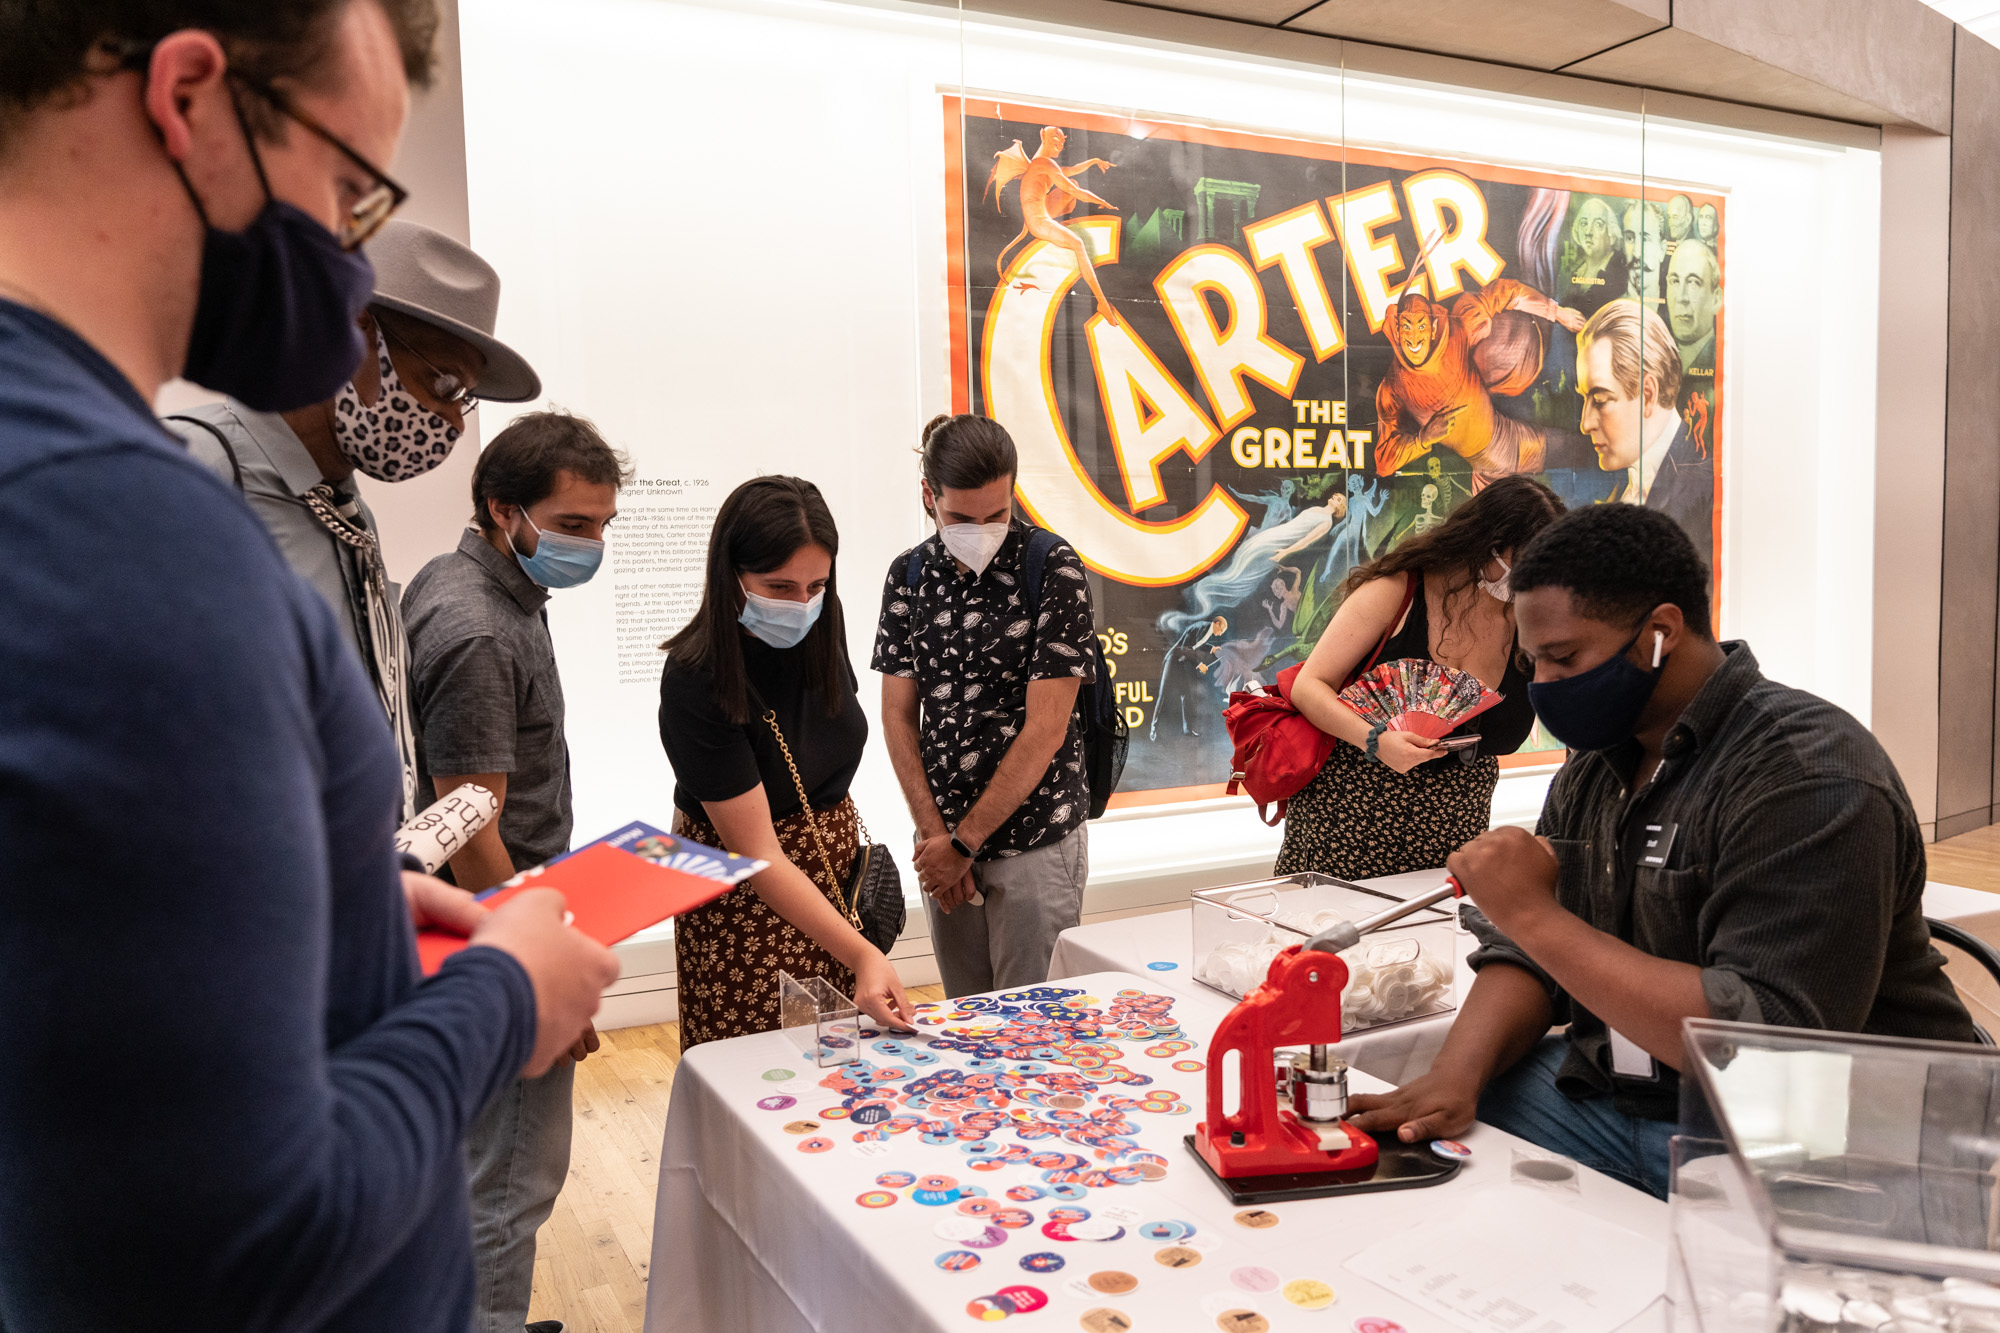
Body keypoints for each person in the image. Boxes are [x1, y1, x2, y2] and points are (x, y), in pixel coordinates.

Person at [0, 4, 616, 1329]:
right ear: (190, 100)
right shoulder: (133, 528)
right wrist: (511, 990)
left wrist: (361, 899)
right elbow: (236, 1237)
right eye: (349, 190)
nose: (348, 261)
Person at [1348, 505, 1978, 1198]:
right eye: (1534, 662)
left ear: (1660, 632)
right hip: (1623, 1105)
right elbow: (1531, 957)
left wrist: (1532, 913)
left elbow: (1767, 1041)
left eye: (1564, 658)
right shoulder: (1596, 766)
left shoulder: (1811, 775)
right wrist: (1454, 1077)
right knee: (1403, 1166)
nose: (1543, 687)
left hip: (1828, 1141)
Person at [167, 217, 540, 820]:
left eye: (464, 397)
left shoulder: (345, 508)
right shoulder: (193, 474)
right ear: (351, 333)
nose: (451, 421)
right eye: (443, 382)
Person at [400, 408, 627, 1333]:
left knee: (477, 1167)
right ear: (504, 510)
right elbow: (468, 822)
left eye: (604, 525)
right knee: (512, 1178)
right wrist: (533, 973)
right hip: (493, 927)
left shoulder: (461, 584)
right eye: (573, 525)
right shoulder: (480, 627)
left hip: (480, 926)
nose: (591, 543)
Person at [659, 476, 915, 1044]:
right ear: (730, 574)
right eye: (778, 587)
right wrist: (863, 952)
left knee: (848, 1067)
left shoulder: (824, 617)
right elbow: (757, 854)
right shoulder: (695, 678)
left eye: (816, 585)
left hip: (831, 876)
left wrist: (856, 948)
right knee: (764, 1072)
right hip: (744, 904)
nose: (801, 604)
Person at [876, 414, 1099, 997]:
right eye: (960, 518)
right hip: (943, 844)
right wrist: (935, 837)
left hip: (1035, 841)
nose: (981, 529)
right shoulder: (909, 575)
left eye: (996, 515)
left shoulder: (1053, 568)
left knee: (1033, 1026)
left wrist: (963, 844)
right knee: (965, 1023)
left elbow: (1046, 728)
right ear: (929, 496)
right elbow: (898, 714)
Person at [1276, 476, 1566, 879]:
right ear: (1485, 543)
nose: (1524, 582)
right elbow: (1311, 686)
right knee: (1331, 935)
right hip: (1349, 822)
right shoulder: (1398, 590)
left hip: (1456, 836)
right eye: (1521, 565)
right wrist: (1376, 740)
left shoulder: (1528, 621)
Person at [1576, 299, 1714, 570]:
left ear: (1648, 394)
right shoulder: (1628, 488)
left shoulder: (1703, 492)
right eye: (1584, 399)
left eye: (1601, 400)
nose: (1585, 423)